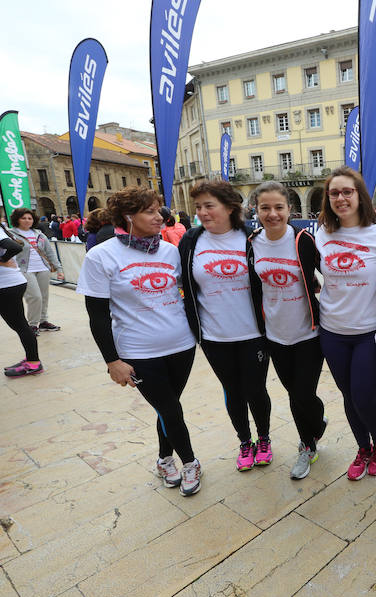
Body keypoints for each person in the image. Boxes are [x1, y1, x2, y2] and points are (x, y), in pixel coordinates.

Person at [77, 187, 201, 496]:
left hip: (181, 346)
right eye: (151, 212)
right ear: (128, 217)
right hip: (138, 351)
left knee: (168, 408)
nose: (160, 217)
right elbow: (97, 315)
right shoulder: (101, 256)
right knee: (170, 409)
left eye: (159, 210)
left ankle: (163, 459)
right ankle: (190, 462)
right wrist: (112, 361)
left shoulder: (169, 251)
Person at [179, 180, 273, 472]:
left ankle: (264, 439)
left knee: (255, 390)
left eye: (209, 206)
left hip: (253, 333)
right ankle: (244, 442)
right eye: (198, 207)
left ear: (230, 208)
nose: (202, 213)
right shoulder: (191, 241)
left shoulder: (252, 238)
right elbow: (183, 284)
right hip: (214, 335)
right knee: (232, 391)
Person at [315, 166, 376, 480]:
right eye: (334, 193)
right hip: (332, 331)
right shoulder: (322, 233)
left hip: (368, 332)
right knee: (348, 397)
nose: (341, 198)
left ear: (360, 196)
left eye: (347, 191)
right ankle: (363, 447)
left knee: (363, 396)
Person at [248, 181, 328, 480]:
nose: (272, 214)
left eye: (278, 207)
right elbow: (253, 288)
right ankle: (317, 426)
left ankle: (307, 445)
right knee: (297, 393)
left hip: (308, 333)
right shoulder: (252, 243)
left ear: (289, 209)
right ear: (255, 209)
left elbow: (330, 273)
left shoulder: (303, 239)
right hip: (274, 335)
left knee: (301, 395)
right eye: (265, 208)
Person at [9, 208, 63, 335]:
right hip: (24, 270)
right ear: (17, 219)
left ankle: (43, 321)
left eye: (30, 218)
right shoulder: (11, 234)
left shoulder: (39, 234)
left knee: (44, 297)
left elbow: (50, 253)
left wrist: (59, 269)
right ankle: (33, 324)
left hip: (43, 269)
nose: (27, 220)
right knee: (35, 297)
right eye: (23, 218)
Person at [0, 221, 41, 378]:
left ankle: (33, 362)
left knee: (20, 325)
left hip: (7, 285)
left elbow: (15, 247)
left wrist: (2, 260)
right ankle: (31, 359)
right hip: (9, 284)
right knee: (19, 324)